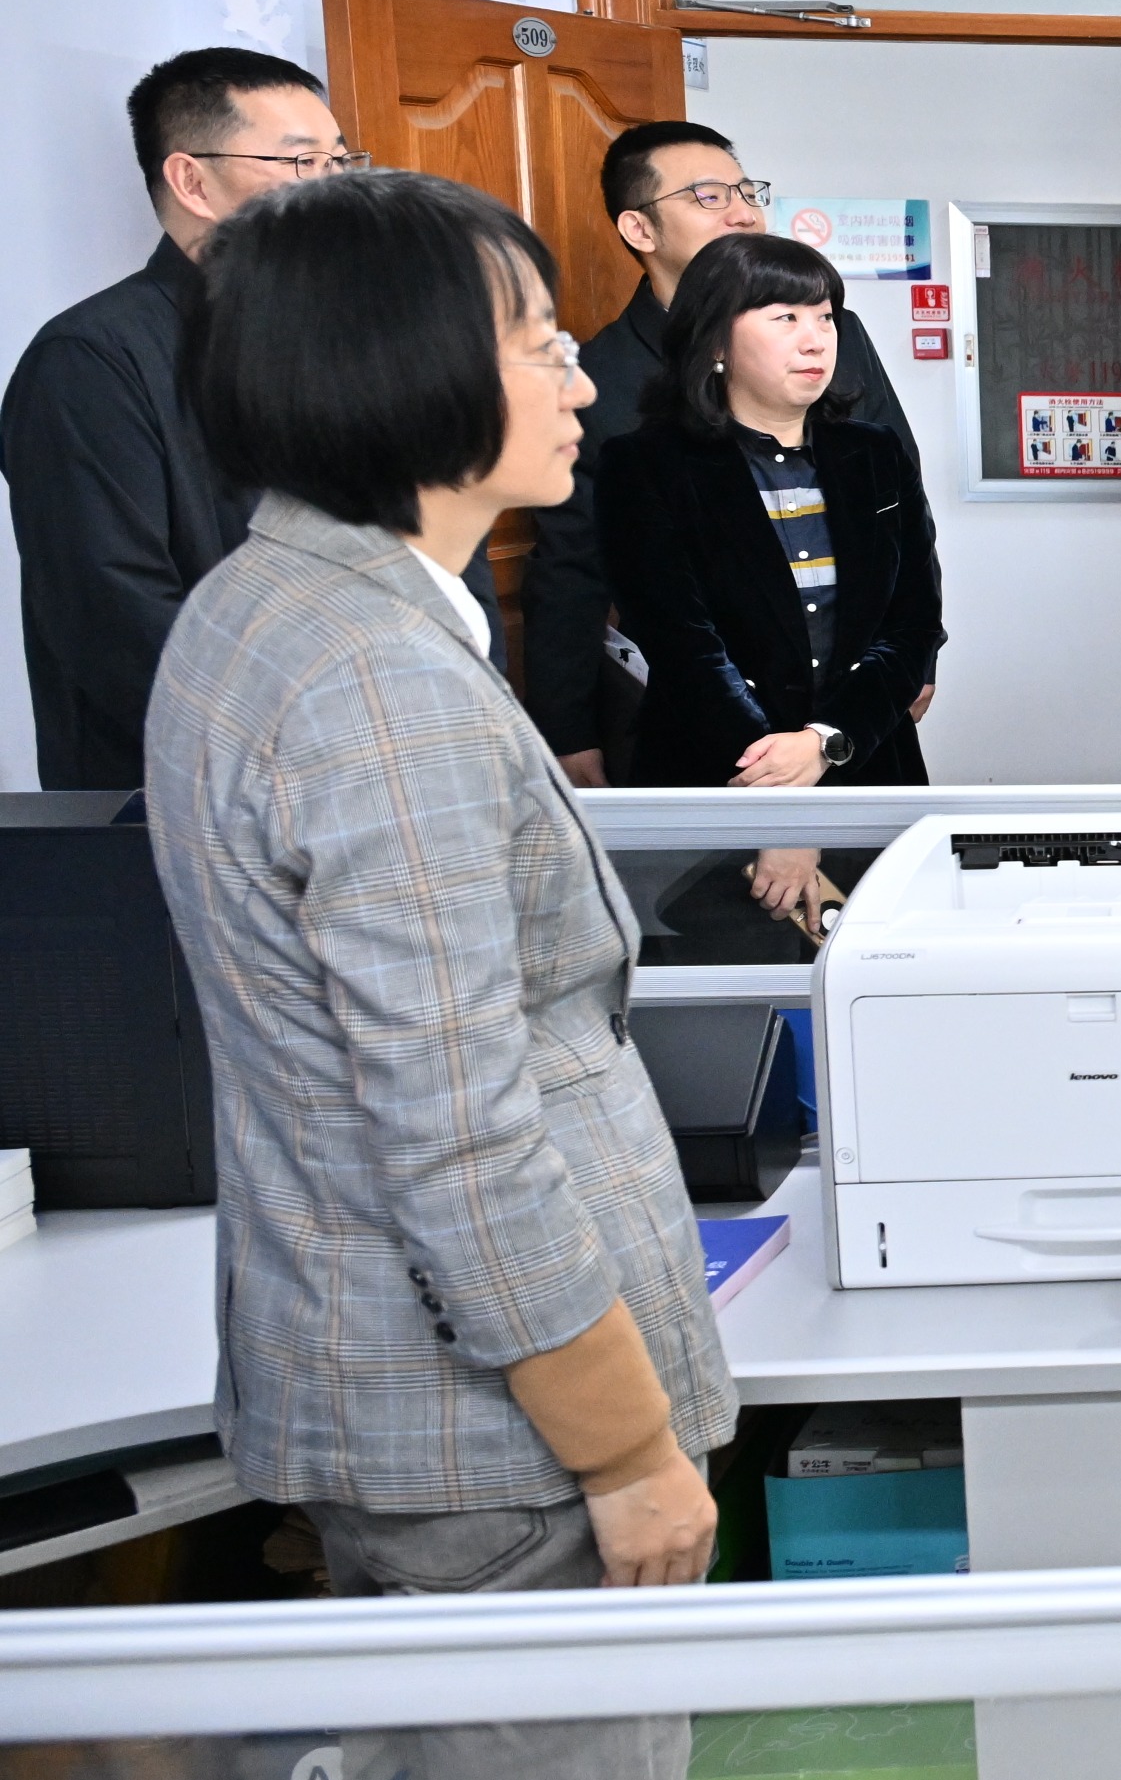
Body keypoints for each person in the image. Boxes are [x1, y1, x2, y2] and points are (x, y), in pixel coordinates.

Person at [146, 171, 730, 1778]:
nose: (581, 380)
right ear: (398, 371)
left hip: (405, 1389)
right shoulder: (377, 683)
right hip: (499, 1439)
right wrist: (626, 1448)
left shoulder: (272, 601)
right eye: (539, 342)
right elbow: (460, 1134)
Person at [4, 47, 361, 788]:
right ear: (192, 181)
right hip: (189, 794)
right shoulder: (90, 359)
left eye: (340, 161)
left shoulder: (343, 340)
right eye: (302, 162)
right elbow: (118, 616)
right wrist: (320, 740)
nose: (333, 188)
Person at [522, 121, 920, 787]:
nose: (743, 212)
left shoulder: (838, 335)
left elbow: (902, 513)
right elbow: (572, 565)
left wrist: (913, 664)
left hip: (854, 702)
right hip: (708, 720)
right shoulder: (600, 377)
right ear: (639, 229)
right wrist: (567, 729)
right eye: (708, 196)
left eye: (746, 191)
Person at [592, 235, 944, 925]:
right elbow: (683, 646)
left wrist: (826, 742)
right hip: (716, 778)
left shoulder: (874, 454)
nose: (816, 339)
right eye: (785, 318)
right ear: (715, 341)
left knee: (883, 959)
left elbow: (911, 625)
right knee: (734, 965)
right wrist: (778, 809)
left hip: (867, 766)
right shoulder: (644, 465)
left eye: (825, 317)